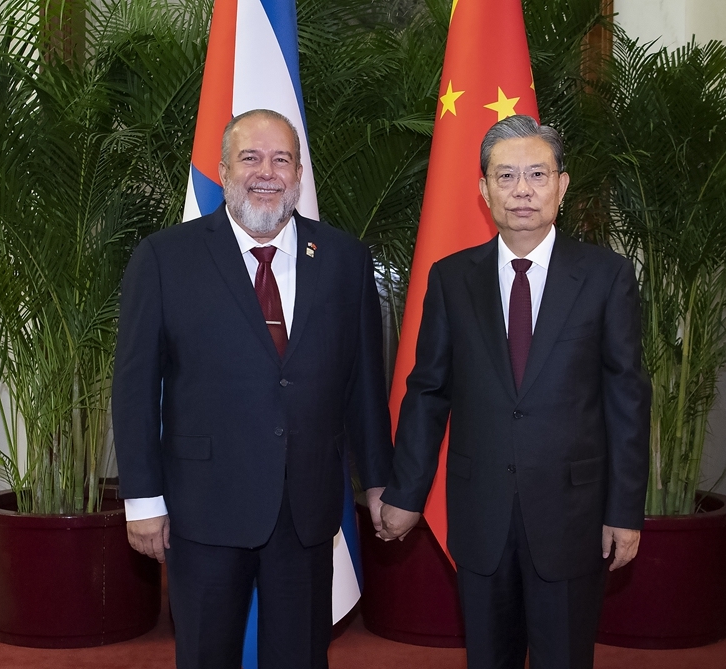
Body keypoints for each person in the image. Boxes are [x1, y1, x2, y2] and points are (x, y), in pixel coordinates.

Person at [112, 109, 393, 669]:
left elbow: (363, 382)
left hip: (306, 506)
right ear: (223, 170)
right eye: (251, 158)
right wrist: (142, 500)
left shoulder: (344, 259)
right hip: (203, 506)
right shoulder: (165, 258)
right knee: (205, 655)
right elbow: (135, 386)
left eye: (281, 160)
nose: (267, 172)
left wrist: (380, 481)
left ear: (299, 175)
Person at [378, 115, 650, 669]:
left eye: (537, 174)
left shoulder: (606, 276)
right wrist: (406, 493)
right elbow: (428, 391)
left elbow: (627, 400)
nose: (522, 189)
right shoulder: (451, 278)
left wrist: (625, 510)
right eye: (505, 176)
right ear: (484, 190)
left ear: (561, 186)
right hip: (481, 512)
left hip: (573, 515)